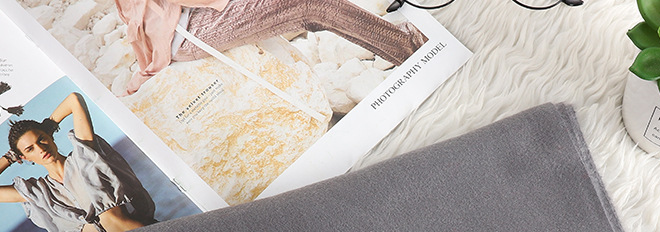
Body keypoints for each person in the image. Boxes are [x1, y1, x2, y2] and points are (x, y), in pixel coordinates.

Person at [116, 0, 428, 94]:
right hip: (188, 30)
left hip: (191, 17)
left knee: (311, 10)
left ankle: (398, 43)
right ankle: (409, 46)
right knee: (311, 5)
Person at [0, 92, 156, 232]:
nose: (40, 149)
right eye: (30, 149)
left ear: (50, 136)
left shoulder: (83, 156)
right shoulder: (39, 192)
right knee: (102, 222)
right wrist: (10, 157)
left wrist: (49, 125)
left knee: (108, 217)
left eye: (41, 139)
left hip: (138, 231)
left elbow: (74, 99)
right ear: (24, 157)